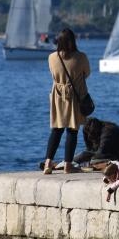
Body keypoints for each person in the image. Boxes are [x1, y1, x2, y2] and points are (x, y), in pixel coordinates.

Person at [43, 28, 91, 174]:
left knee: (56, 130)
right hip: (75, 97)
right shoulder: (81, 57)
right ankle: (68, 165)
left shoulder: (52, 57)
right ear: (73, 40)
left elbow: (52, 73)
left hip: (57, 96)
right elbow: (87, 73)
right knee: (72, 130)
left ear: (59, 41)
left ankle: (47, 163)